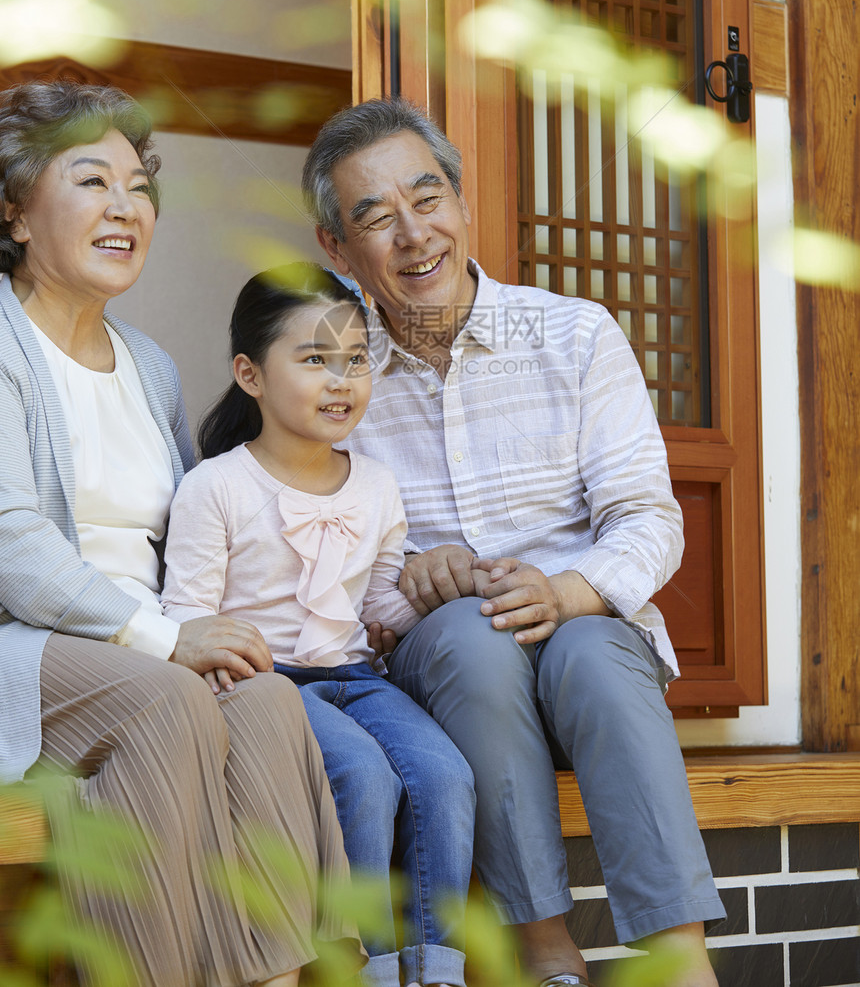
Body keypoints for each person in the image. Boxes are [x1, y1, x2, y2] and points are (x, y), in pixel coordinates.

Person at [301, 96, 726, 987]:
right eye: (375, 218)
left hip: (589, 651)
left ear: (461, 204)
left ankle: (680, 960)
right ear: (338, 251)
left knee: (592, 651)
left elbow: (650, 515)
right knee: (470, 633)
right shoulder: (329, 378)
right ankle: (546, 955)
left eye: (428, 200)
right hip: (453, 669)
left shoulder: (574, 333)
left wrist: (569, 590)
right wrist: (412, 574)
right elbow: (323, 555)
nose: (413, 235)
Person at [0, 81, 361, 987]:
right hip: (27, 647)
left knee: (268, 697)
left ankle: (276, 979)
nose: (127, 207)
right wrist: (165, 640)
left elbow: (190, 530)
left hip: (140, 646)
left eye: (139, 185)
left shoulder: (150, 363)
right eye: (91, 181)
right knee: (171, 699)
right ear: (14, 211)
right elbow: (11, 542)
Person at [162, 264, 477, 987]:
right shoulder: (217, 485)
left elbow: (376, 607)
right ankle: (355, 960)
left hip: (358, 678)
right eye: (314, 360)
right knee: (363, 775)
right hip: (265, 688)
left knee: (441, 773)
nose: (342, 381)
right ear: (250, 374)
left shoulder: (375, 484)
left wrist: (446, 591)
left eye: (356, 361)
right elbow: (186, 612)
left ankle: (433, 966)